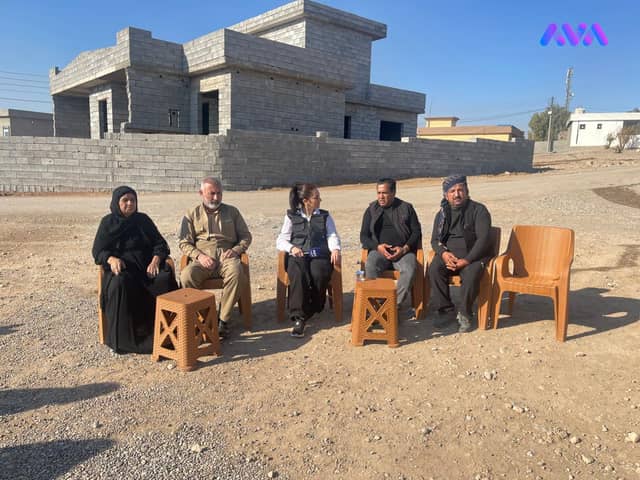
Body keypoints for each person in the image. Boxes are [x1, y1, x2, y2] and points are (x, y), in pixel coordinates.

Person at [92, 186, 178, 354]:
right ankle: (123, 341)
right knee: (120, 284)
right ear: (116, 203)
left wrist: (155, 260)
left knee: (164, 279)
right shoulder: (108, 223)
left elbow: (160, 244)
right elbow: (98, 251)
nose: (130, 203)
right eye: (125, 200)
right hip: (123, 269)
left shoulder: (143, 220)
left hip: (146, 267)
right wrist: (111, 259)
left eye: (133, 200)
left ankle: (167, 333)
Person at [178, 177, 252, 338]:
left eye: (219, 193)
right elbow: (184, 243)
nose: (216, 197)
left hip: (227, 255)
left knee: (237, 273)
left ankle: (222, 320)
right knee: (186, 276)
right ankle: (202, 317)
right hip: (202, 256)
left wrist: (236, 250)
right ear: (201, 193)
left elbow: (246, 236)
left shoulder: (232, 212)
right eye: (212, 194)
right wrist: (199, 256)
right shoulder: (191, 214)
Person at [429, 174, 492, 332]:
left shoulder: (479, 210)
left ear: (467, 191)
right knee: (434, 268)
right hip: (450, 256)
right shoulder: (442, 214)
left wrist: (467, 260)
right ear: (446, 195)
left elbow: (483, 240)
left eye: (460, 190)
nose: (457, 194)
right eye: (452, 191)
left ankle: (465, 313)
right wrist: (444, 254)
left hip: (473, 255)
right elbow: (435, 240)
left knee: (471, 272)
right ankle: (446, 310)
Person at [276, 183, 341, 337]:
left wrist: (335, 248)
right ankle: (299, 318)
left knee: (320, 274)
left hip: (319, 255)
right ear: (306, 201)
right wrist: (292, 248)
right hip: (298, 255)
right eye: (316, 197)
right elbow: (281, 240)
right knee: (298, 274)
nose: (320, 200)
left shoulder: (324, 216)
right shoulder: (291, 216)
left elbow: (332, 235)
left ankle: (314, 306)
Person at [360, 178, 421, 316]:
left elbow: (416, 232)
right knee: (370, 264)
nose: (381, 197)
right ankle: (377, 306)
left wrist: (404, 249)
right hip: (380, 251)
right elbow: (364, 236)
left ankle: (392, 306)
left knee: (409, 268)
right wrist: (378, 247)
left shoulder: (406, 208)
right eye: (379, 193)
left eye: (385, 193)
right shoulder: (371, 210)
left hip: (403, 252)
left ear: (393, 193)